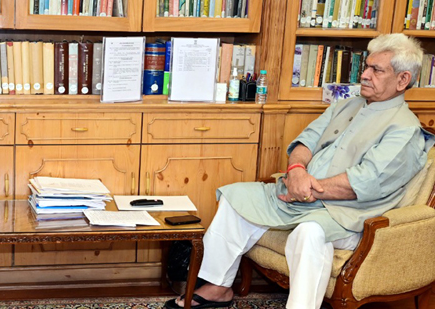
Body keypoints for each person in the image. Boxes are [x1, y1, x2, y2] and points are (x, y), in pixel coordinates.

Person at [166, 33, 435, 309]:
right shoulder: (347, 104)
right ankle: (218, 287)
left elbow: (363, 183)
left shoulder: (405, 129)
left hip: (349, 214)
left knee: (309, 232)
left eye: (376, 70)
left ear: (403, 80)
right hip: (303, 195)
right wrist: (295, 171)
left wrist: (305, 189)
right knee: (235, 198)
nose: (364, 75)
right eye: (366, 66)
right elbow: (306, 140)